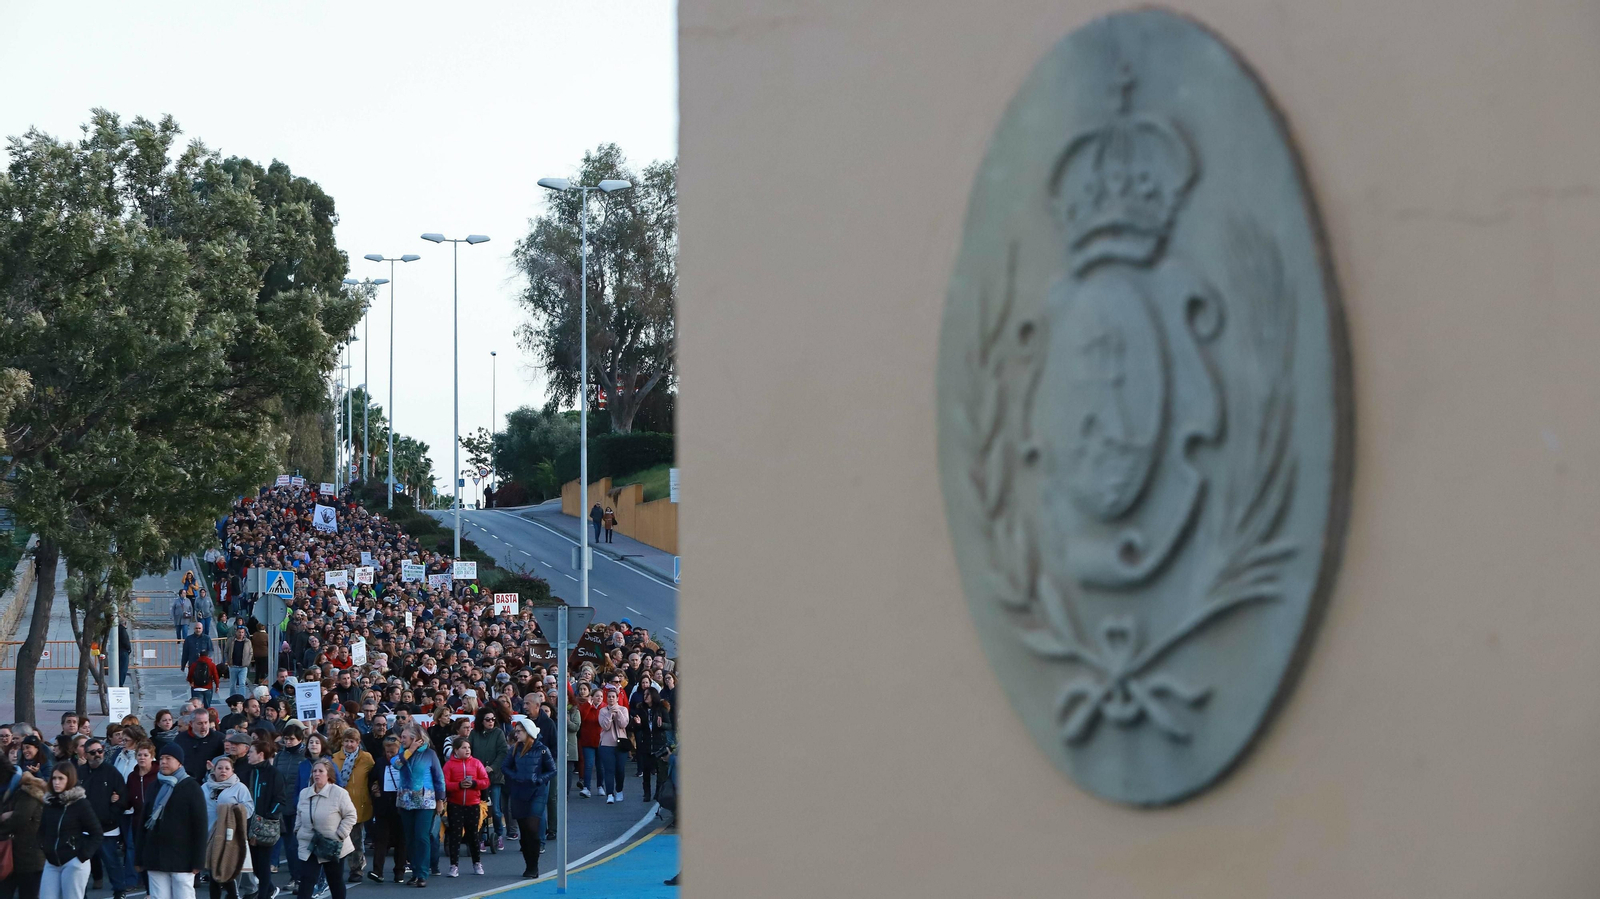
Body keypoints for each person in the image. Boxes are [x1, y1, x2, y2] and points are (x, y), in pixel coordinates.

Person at [137, 743, 207, 899]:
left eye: (168, 758)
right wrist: (139, 856)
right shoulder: (154, 786)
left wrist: (198, 861)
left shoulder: (191, 787)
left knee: (183, 895)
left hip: (182, 856)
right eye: (161, 758)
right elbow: (144, 823)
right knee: (158, 896)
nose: (163, 762)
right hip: (155, 855)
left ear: (179, 762)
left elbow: (200, 826)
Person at [389, 726, 443, 889]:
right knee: (410, 838)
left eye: (405, 737)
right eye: (402, 737)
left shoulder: (429, 754)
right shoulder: (402, 753)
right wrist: (410, 749)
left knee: (421, 836)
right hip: (406, 801)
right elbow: (396, 764)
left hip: (425, 801)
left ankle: (422, 873)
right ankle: (414, 871)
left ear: (415, 738)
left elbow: (439, 777)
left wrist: (440, 799)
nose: (402, 739)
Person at [293, 760, 355, 899]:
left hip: (332, 844)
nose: (317, 774)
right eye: (314, 771)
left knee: (335, 881)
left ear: (328, 775)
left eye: (321, 771)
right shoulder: (305, 793)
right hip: (310, 843)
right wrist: (297, 830)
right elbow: (299, 813)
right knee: (306, 879)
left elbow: (351, 815)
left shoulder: (339, 793)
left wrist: (340, 834)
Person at [501, 717, 553, 879]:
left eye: (519, 731)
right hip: (518, 792)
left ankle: (534, 866)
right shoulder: (514, 749)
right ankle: (528, 864)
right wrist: (515, 776)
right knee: (524, 831)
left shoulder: (542, 749)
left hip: (536, 792)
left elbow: (551, 770)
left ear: (528, 732)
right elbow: (505, 767)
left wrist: (538, 779)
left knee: (532, 828)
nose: (516, 734)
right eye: (516, 731)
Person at [40, 764, 102, 899]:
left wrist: (82, 857)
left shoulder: (80, 804)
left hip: (73, 861)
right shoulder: (49, 803)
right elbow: (42, 829)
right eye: (54, 778)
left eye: (61, 778)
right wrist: (45, 847)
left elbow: (96, 833)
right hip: (52, 861)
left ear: (70, 779)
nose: (56, 782)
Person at [77, 738, 129, 899]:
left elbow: (123, 797)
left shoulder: (111, 772)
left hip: (108, 828)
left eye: (100, 751)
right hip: (84, 830)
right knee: (81, 865)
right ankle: (81, 893)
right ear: (85, 754)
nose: (97, 755)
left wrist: (111, 815)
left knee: (112, 862)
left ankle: (120, 891)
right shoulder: (78, 773)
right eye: (93, 752)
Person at [199, 757, 251, 899]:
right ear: (214, 770)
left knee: (226, 870)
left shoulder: (239, 788)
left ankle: (235, 895)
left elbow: (249, 809)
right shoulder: (205, 788)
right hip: (209, 834)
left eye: (227, 768)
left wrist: (232, 810)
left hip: (230, 836)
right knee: (213, 872)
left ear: (232, 771)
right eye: (220, 768)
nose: (223, 771)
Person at [239, 740, 282, 899]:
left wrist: (267, 818)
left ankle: (264, 895)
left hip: (264, 826)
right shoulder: (247, 771)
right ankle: (270, 889)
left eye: (251, 752)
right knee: (254, 866)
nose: (248, 754)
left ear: (260, 754)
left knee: (263, 866)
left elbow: (279, 799)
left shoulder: (273, 774)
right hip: (248, 825)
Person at [329, 731, 372, 884]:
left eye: (353, 741)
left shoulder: (366, 758)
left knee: (356, 839)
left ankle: (357, 868)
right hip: (339, 805)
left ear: (358, 742)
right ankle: (335, 868)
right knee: (338, 839)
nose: (349, 744)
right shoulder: (334, 759)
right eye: (346, 741)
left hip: (358, 805)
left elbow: (372, 778)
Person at [441, 738, 487, 878]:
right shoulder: (449, 765)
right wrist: (458, 785)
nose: (467, 750)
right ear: (456, 750)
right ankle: (454, 865)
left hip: (473, 804)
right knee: (455, 835)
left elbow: (485, 781)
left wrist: (473, 783)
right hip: (455, 804)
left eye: (468, 747)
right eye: (463, 748)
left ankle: (477, 863)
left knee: (473, 835)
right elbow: (444, 783)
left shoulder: (476, 763)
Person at [0, 766, 48, 899]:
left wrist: (6, 817)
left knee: (28, 894)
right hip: (12, 857)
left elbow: (18, 819)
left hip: (29, 858)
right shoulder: (10, 791)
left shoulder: (28, 791)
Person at [363, 736, 404, 884]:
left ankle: (399, 871)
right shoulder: (380, 763)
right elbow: (371, 779)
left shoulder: (403, 763)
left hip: (400, 806)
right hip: (383, 807)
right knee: (381, 840)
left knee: (401, 840)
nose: (390, 755)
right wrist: (374, 790)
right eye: (387, 752)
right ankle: (377, 871)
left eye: (393, 752)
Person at [467, 710, 507, 855]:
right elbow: (468, 752)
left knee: (495, 810)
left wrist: (493, 767)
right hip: (478, 778)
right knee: (479, 809)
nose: (491, 721)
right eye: (487, 719)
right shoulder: (474, 734)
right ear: (481, 721)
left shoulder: (498, 733)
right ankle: (481, 837)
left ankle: (498, 834)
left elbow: (503, 752)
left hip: (494, 777)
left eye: (493, 719)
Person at [597, 685, 629, 804]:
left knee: (620, 769)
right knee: (609, 770)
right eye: (609, 697)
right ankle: (610, 794)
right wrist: (610, 714)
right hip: (606, 744)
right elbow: (605, 726)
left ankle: (619, 790)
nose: (611, 699)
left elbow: (624, 724)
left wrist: (618, 712)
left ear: (617, 698)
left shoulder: (623, 709)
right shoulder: (603, 711)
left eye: (613, 697)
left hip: (621, 744)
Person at [172, 715, 222, 782]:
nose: (203, 726)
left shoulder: (219, 738)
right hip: (186, 781)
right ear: (191, 724)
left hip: (210, 782)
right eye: (200, 723)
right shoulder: (180, 739)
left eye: (206, 722)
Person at [576, 685, 600, 799]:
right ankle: (587, 788)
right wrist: (588, 705)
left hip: (601, 741)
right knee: (588, 764)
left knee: (601, 766)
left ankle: (600, 786)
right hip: (587, 740)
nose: (599, 698)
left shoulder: (604, 707)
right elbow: (582, 718)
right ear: (592, 697)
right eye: (596, 696)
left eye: (601, 696)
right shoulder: (586, 706)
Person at [226, 627, 252, 695]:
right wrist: (227, 661)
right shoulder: (231, 640)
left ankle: (242, 698)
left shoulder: (247, 642)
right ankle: (232, 698)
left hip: (243, 667)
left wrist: (248, 662)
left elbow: (251, 653)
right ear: (236, 632)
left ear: (244, 633)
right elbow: (226, 651)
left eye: (242, 632)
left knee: (242, 684)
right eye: (239, 632)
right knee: (232, 684)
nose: (241, 634)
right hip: (233, 666)